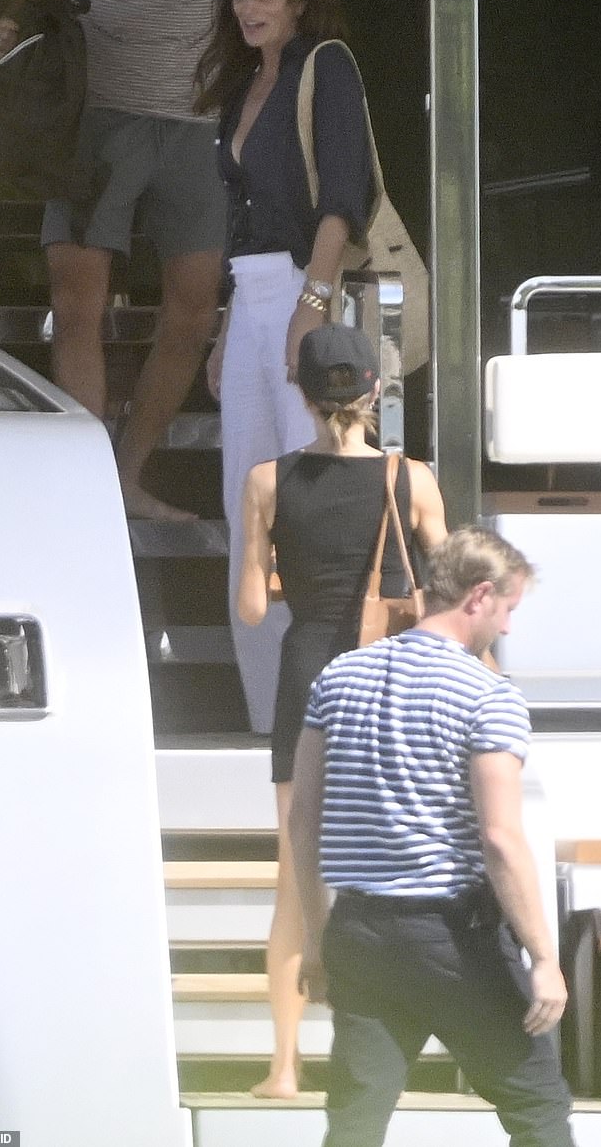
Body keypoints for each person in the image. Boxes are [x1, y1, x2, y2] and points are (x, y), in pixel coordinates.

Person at [0, 0, 272, 520]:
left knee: (191, 310)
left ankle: (127, 474)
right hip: (98, 116)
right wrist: (13, 24)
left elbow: (268, 3)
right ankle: (86, 483)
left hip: (200, 119)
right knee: (76, 300)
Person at [288, 526, 575, 1147]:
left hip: (359, 931)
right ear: (479, 596)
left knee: (357, 1117)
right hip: (453, 937)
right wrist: (546, 959)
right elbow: (500, 838)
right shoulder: (487, 695)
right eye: (508, 609)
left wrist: (315, 937)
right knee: (536, 1107)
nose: (507, 627)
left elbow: (303, 818)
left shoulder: (340, 677)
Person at [236, 321, 447, 1099]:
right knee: (396, 864)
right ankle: (392, 1056)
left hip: (309, 674)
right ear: (374, 390)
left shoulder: (267, 481)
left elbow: (254, 608)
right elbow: (448, 589)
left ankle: (284, 1068)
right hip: (389, 683)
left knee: (297, 879)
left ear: (300, 390)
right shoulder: (411, 479)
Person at [189, 0, 371, 730]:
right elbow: (242, 218)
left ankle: (331, 712)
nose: (248, 9)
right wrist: (232, 323)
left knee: (314, 502)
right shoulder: (244, 85)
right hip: (254, 294)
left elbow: (345, 196)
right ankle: (271, 720)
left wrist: (314, 304)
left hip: (305, 288)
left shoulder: (325, 67)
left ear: (299, 1)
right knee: (247, 507)